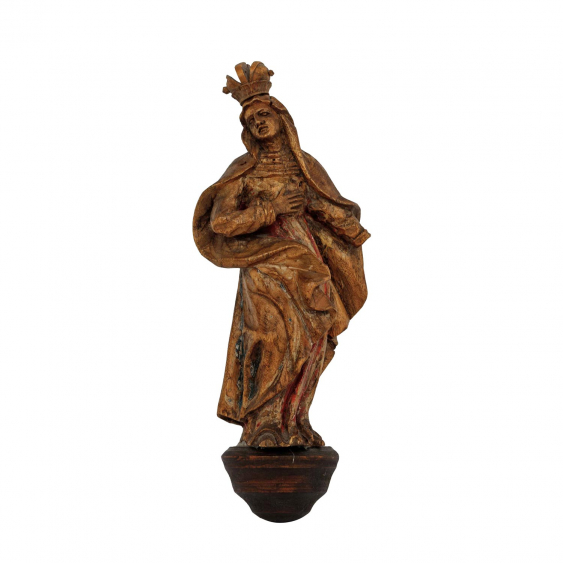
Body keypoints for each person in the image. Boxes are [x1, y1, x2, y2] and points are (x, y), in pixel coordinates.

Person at [193, 62, 370, 447]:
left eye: (264, 114)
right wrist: (269, 210)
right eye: (250, 120)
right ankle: (263, 425)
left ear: (281, 117)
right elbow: (221, 222)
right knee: (271, 341)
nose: (258, 122)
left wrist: (317, 207)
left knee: (314, 340)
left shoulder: (307, 166)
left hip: (308, 266)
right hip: (265, 268)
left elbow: (337, 211)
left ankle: (296, 420)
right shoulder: (243, 171)